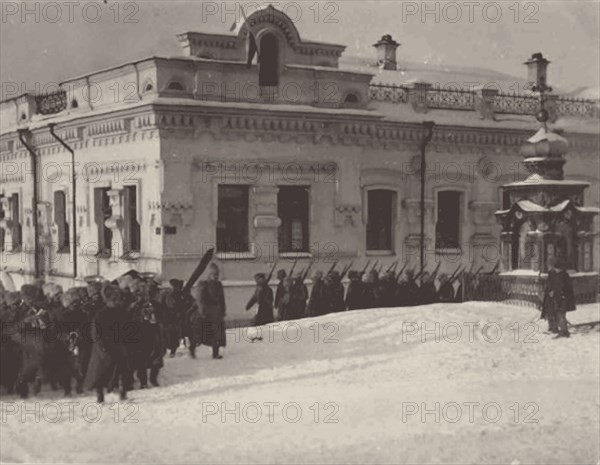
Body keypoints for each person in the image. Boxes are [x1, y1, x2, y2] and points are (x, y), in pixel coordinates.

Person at [84, 284, 132, 403]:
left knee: (122, 370)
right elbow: (96, 333)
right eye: (114, 299)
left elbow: (129, 328)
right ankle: (100, 395)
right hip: (104, 347)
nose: (116, 302)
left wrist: (128, 342)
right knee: (101, 371)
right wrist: (102, 347)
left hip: (119, 345)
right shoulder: (101, 314)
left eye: (117, 299)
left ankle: (122, 392)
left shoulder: (122, 312)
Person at [193, 263, 226, 359]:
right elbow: (200, 299)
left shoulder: (219, 285)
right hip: (206, 313)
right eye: (214, 274)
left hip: (216, 313)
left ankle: (215, 353)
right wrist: (202, 311)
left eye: (217, 274)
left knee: (217, 333)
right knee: (200, 333)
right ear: (209, 274)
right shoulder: (203, 284)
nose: (216, 276)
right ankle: (192, 348)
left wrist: (223, 310)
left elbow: (222, 299)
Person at [548, 258, 576, 338]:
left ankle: (564, 332)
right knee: (558, 314)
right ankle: (562, 330)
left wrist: (559, 293)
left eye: (556, 268)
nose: (555, 270)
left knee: (561, 314)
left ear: (559, 268)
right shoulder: (557, 275)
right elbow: (556, 286)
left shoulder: (564, 276)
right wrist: (552, 291)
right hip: (558, 298)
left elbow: (566, 288)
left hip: (564, 299)